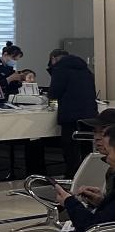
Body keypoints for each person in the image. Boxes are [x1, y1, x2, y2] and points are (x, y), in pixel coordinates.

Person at [47, 48, 98, 177]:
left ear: (53, 59)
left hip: (70, 114)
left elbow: (54, 93)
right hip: (90, 113)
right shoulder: (85, 69)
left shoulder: (60, 69)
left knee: (70, 146)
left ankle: (72, 175)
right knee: (86, 144)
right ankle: (88, 173)